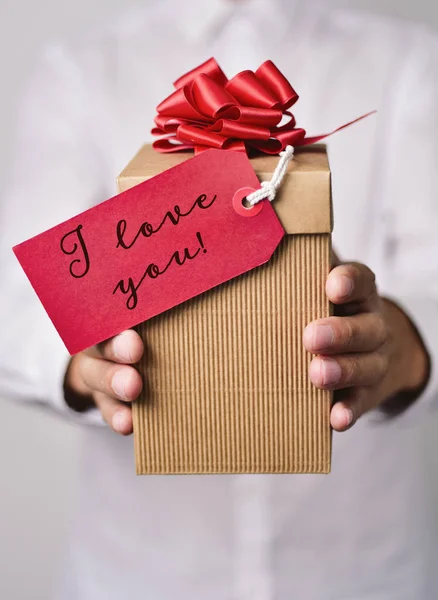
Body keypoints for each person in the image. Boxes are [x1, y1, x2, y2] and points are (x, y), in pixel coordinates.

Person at [1, 0, 438, 598]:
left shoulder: (414, 62)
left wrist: (401, 346)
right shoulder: (78, 70)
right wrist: (83, 359)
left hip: (364, 575)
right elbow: (15, 304)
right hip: (136, 577)